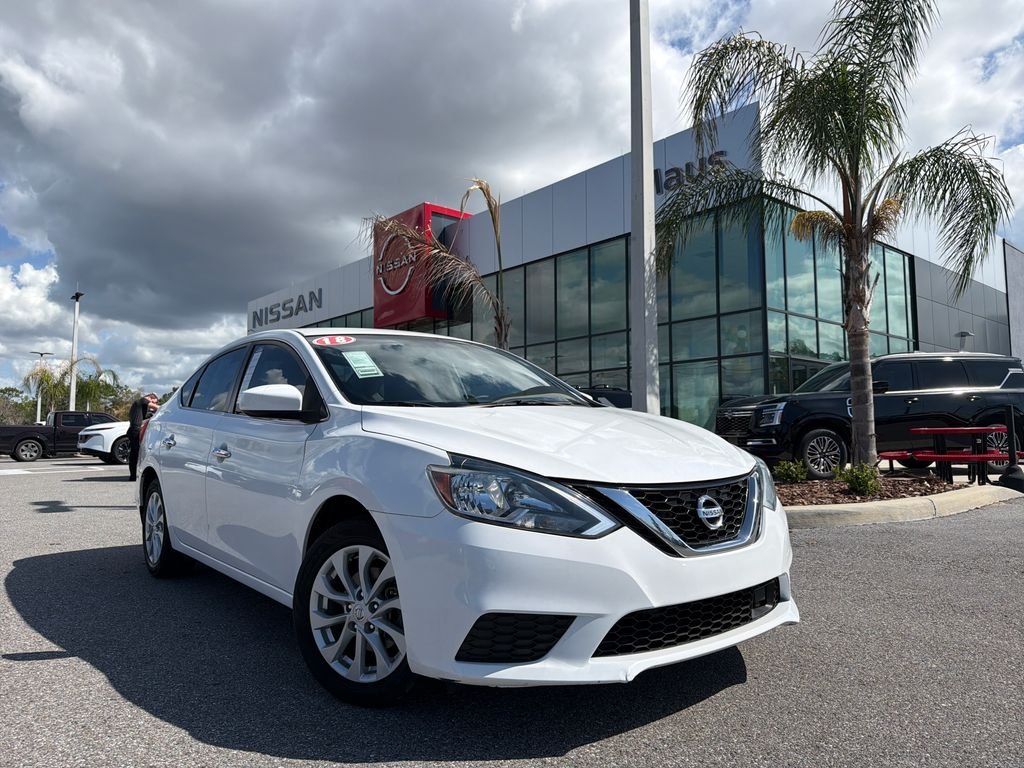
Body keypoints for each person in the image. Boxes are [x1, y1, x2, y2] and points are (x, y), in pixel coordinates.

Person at [127, 392, 159, 481]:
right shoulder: (143, 400)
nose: (154, 404)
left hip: (133, 430)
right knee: (135, 453)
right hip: (135, 430)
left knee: (134, 453)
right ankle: (133, 476)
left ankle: (133, 475)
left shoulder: (138, 404)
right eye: (154, 401)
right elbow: (158, 408)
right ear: (151, 398)